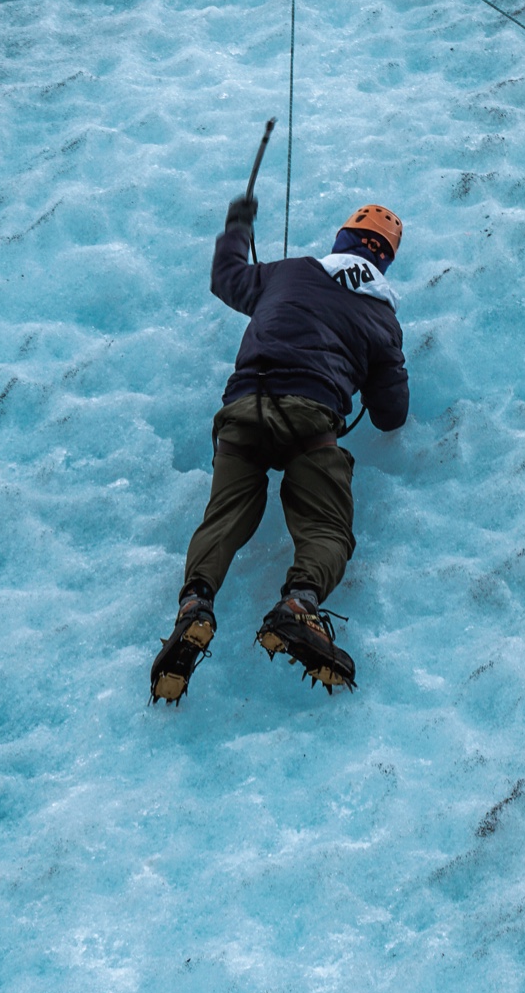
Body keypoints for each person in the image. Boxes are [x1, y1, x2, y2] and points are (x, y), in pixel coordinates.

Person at [150, 198, 409, 703]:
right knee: (326, 527)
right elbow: (390, 415)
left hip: (243, 408)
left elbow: (226, 277)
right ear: (384, 261)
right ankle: (298, 604)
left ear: (341, 241)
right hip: (312, 420)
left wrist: (239, 224)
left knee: (223, 517)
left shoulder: (289, 272)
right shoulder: (382, 319)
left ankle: (195, 606)